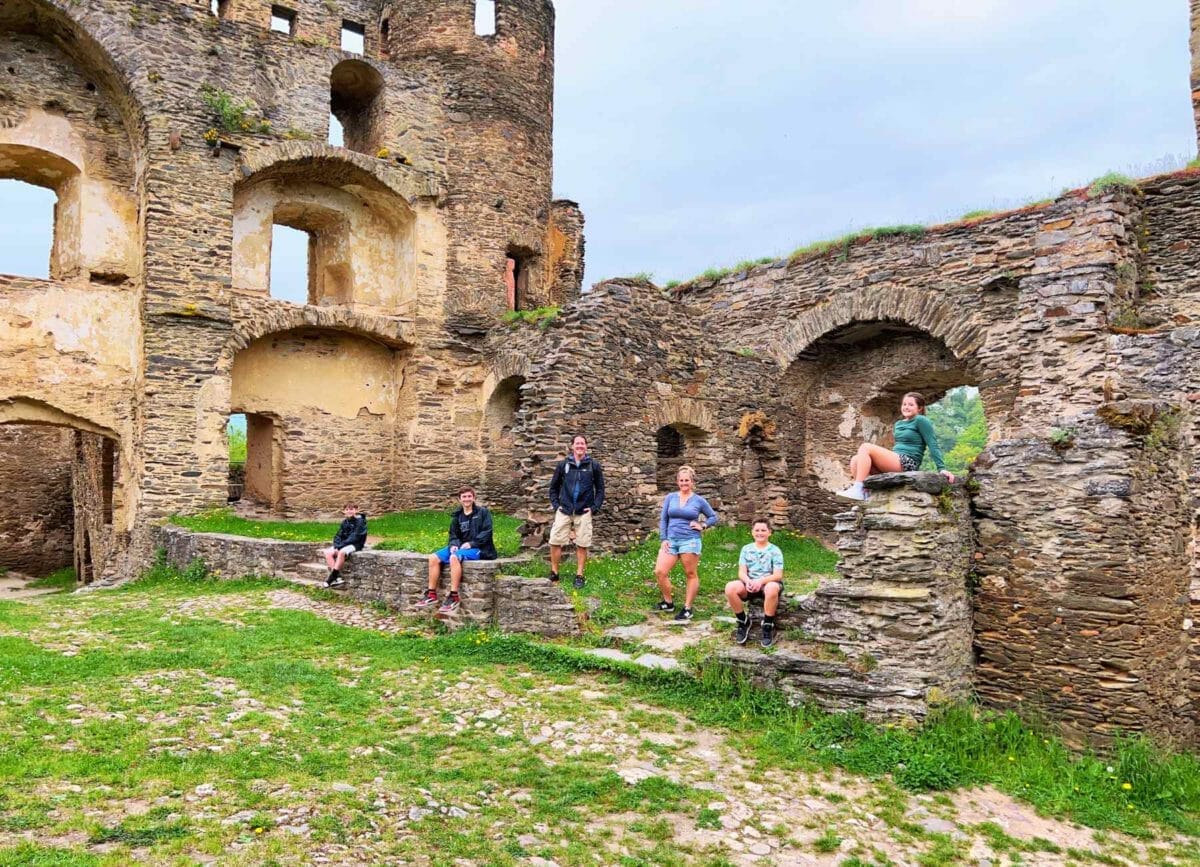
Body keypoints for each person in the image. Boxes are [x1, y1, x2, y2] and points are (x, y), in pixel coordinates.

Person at [838, 391, 955, 501]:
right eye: (904, 404)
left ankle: (858, 489)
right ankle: (865, 493)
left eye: (910, 404)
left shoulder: (921, 420)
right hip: (896, 459)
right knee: (855, 460)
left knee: (865, 447)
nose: (906, 407)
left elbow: (932, 444)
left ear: (919, 408)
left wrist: (942, 468)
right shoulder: (898, 424)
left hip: (908, 463)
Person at [415, 486, 497, 614]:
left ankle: (453, 595)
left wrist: (472, 543)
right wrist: (453, 544)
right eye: (464, 497)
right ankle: (431, 594)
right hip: (460, 546)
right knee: (433, 558)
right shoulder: (457, 516)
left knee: (454, 557)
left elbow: (487, 532)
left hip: (480, 548)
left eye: (469, 496)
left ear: (474, 498)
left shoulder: (483, 513)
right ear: (459, 499)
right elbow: (453, 534)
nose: (467, 499)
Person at [653, 465, 719, 622]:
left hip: (690, 540)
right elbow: (664, 519)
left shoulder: (699, 500)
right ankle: (668, 602)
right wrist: (664, 538)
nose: (684, 483)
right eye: (681, 480)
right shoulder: (670, 497)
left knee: (690, 574)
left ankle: (688, 608)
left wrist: (702, 525)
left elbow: (713, 517)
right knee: (660, 572)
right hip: (671, 540)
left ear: (692, 481)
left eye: (687, 480)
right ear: (677, 481)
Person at [547, 434, 606, 589]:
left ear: (586, 446)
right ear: (572, 446)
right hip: (564, 509)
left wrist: (594, 508)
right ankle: (554, 572)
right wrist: (556, 505)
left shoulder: (593, 465)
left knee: (582, 543)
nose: (580, 446)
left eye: (583, 443)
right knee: (555, 540)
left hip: (584, 511)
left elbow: (600, 490)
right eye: (577, 443)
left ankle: (579, 575)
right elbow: (553, 488)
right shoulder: (563, 465)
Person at [724, 517, 784, 648]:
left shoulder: (775, 550)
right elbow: (741, 572)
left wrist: (760, 581)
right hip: (749, 583)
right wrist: (748, 581)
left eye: (763, 530)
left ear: (769, 532)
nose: (760, 533)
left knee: (772, 587)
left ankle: (768, 625)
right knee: (730, 588)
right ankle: (743, 621)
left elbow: (778, 575)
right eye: (757, 530)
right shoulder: (746, 549)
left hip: (768, 583)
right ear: (752, 532)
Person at [322, 503, 368, 588]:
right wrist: (336, 546)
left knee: (342, 552)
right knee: (328, 552)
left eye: (351, 509)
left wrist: (340, 547)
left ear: (356, 510)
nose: (349, 511)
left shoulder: (360, 522)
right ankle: (337, 578)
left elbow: (354, 537)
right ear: (344, 511)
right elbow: (338, 535)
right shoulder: (345, 522)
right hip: (343, 544)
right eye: (347, 509)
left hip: (355, 544)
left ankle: (332, 577)